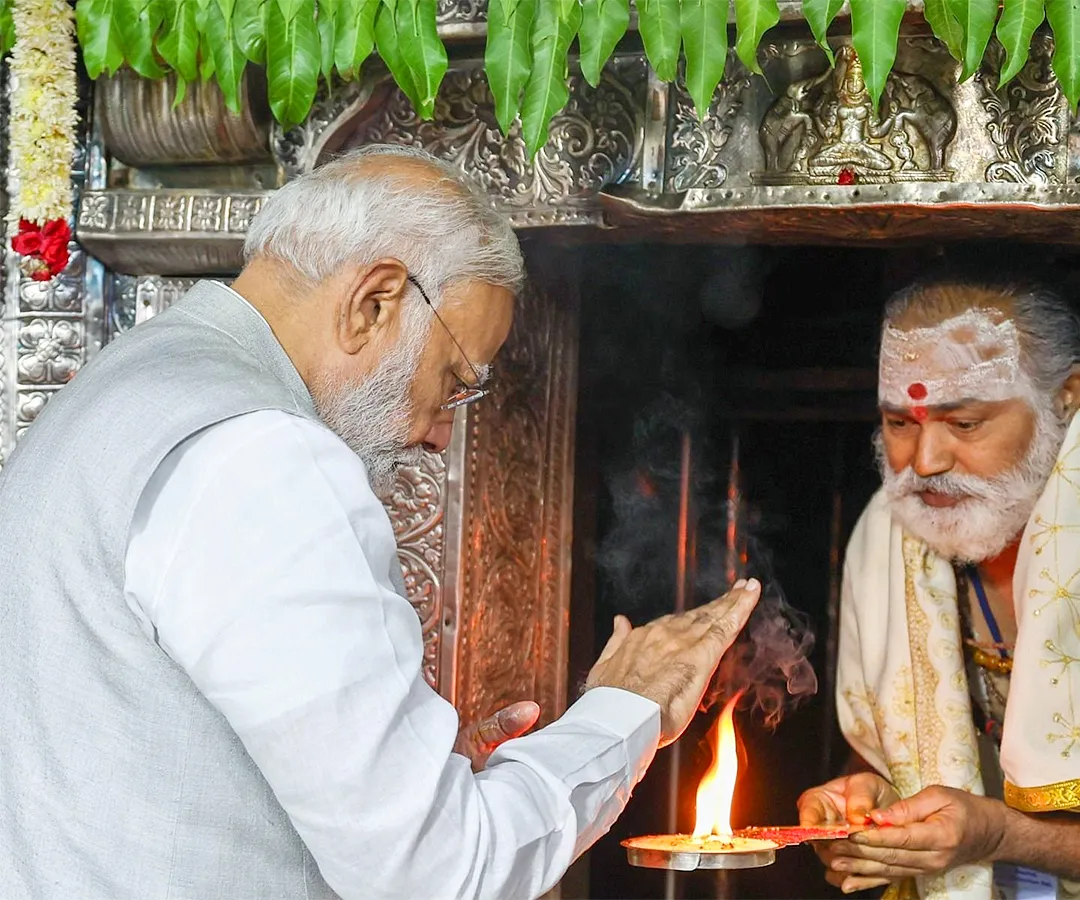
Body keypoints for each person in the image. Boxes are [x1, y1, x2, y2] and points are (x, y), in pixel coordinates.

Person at [0, 144, 762, 900]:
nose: (441, 435)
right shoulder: (263, 454)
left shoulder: (119, 389)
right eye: (455, 381)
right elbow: (440, 875)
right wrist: (625, 709)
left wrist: (413, 775)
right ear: (375, 302)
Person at [798, 280, 1080, 900]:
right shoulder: (888, 528)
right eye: (899, 421)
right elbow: (910, 743)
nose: (924, 460)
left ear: (1068, 398)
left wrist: (1005, 837)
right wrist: (873, 800)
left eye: (964, 421)